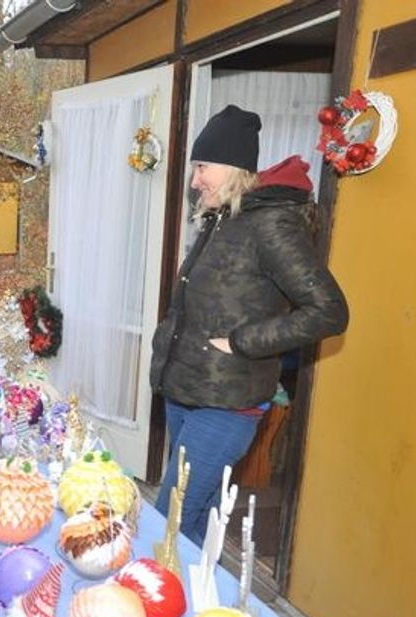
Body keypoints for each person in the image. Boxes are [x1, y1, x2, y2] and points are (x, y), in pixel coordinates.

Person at [149, 105, 349, 546]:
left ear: (235, 168)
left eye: (203, 166)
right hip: (186, 393)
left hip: (227, 403)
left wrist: (243, 342)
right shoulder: (222, 219)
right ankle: (207, 611)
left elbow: (329, 309)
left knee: (169, 524)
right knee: (193, 523)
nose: (195, 179)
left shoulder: (270, 224)